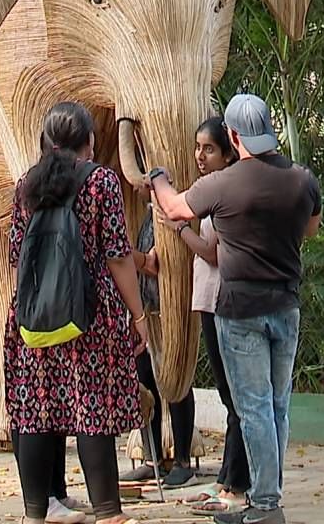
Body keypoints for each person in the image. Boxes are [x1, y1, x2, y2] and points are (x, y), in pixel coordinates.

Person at [150, 94, 322, 524]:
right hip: (286, 305)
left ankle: (265, 505)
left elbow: (174, 207)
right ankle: (269, 495)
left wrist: (157, 177)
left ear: (232, 136)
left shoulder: (224, 183)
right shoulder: (302, 179)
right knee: (277, 405)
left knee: (254, 408)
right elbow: (312, 228)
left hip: (240, 308)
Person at [5, 102, 148, 524]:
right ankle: (108, 511)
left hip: (34, 312)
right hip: (92, 312)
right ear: (89, 141)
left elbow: (17, 257)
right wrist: (137, 314)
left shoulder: (25, 186)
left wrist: (28, 308)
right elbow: (118, 256)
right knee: (93, 407)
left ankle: (35, 512)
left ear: (46, 142)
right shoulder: (101, 182)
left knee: (35, 409)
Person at [151, 117, 249, 513]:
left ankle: (235, 484)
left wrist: (177, 231)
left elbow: (213, 253)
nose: (200, 156)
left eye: (208, 149)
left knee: (235, 398)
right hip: (209, 303)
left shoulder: (227, 193)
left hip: (222, 302)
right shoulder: (215, 193)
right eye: (197, 148)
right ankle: (226, 479)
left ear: (228, 152)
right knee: (231, 398)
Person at [121, 204, 198, 488]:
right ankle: (151, 460)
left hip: (171, 311)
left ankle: (182, 462)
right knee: (145, 381)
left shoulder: (175, 212)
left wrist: (136, 259)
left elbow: (161, 264)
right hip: (148, 311)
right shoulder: (147, 213)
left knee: (177, 382)